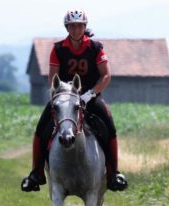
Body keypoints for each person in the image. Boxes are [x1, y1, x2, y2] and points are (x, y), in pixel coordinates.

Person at [21, 9, 128, 192]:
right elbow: (52, 79)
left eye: (79, 26)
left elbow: (106, 76)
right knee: (41, 127)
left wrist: (89, 94)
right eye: (72, 26)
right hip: (64, 96)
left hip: (90, 96)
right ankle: (36, 173)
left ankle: (113, 174)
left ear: (84, 27)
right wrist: (64, 94)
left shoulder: (96, 48)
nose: (76, 30)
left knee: (109, 125)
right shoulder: (58, 49)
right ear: (67, 28)